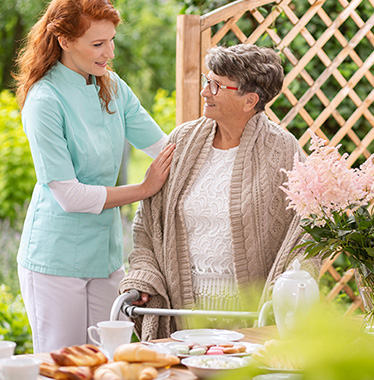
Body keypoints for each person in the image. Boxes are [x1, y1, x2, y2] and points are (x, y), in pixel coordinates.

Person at [119, 44, 320, 341]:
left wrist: (287, 291)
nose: (204, 92)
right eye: (205, 80)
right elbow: (149, 224)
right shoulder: (183, 140)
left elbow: (306, 233)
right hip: (181, 317)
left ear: (250, 100)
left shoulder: (283, 151)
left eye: (216, 85)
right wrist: (143, 275)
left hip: (251, 317)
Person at [14, 0, 175, 353]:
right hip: (55, 261)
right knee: (65, 366)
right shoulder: (44, 99)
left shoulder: (112, 86)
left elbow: (165, 148)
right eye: (98, 44)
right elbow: (69, 196)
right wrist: (144, 189)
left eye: (112, 40)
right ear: (64, 40)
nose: (109, 53)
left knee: (113, 359)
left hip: (104, 257)